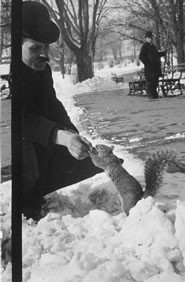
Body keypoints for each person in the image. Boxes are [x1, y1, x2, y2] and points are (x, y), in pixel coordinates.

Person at [15, 1, 102, 220]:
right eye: (35, 48)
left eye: (46, 48)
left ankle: (35, 192)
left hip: (38, 138)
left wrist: (72, 134)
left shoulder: (40, 69)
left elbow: (52, 105)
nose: (44, 55)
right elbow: (19, 119)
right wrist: (58, 135)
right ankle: (25, 206)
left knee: (83, 160)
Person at [139, 31, 166, 99]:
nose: (150, 39)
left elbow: (156, 55)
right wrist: (147, 64)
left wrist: (162, 53)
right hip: (149, 68)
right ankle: (150, 94)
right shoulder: (145, 46)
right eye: (148, 38)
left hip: (155, 68)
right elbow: (141, 56)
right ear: (146, 38)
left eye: (151, 38)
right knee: (150, 82)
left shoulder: (153, 46)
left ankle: (154, 94)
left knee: (155, 82)